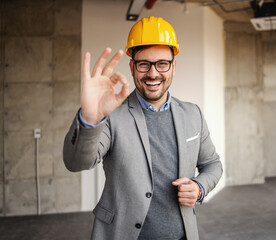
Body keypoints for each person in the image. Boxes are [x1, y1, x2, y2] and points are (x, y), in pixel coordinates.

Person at [63, 16, 222, 240]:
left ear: (173, 66)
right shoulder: (110, 115)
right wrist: (90, 118)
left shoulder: (192, 114)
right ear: (132, 66)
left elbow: (212, 164)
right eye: (144, 64)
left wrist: (200, 187)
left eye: (162, 64)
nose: (153, 73)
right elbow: (76, 162)